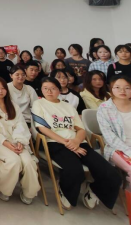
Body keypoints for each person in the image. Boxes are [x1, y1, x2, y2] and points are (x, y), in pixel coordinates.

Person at [32, 77, 121, 211]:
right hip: (55, 143)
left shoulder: (68, 106)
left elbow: (80, 129)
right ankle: (65, 191)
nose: (49, 91)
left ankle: (94, 190)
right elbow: (42, 128)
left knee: (112, 174)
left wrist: (76, 142)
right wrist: (67, 143)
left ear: (59, 90)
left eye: (53, 88)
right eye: (45, 88)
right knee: (75, 171)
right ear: (41, 90)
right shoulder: (39, 104)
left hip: (78, 143)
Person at [0, 77, 40, 204]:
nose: (0, 91)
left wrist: (20, 141)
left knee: (28, 162)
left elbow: (21, 124)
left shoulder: (13, 105)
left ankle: (29, 192)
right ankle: (2, 187)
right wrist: (6, 143)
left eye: (3, 88)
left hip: (16, 141)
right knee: (14, 160)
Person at [97, 76, 131, 191]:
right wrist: (128, 151)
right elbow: (109, 137)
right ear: (111, 89)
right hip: (118, 148)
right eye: (117, 87)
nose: (122, 91)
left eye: (127, 88)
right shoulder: (105, 108)